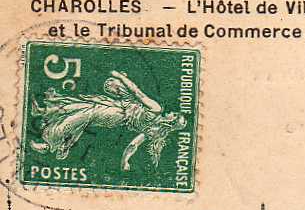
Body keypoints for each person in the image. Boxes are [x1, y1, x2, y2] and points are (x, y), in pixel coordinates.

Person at [29, 70, 187, 170]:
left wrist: (120, 77)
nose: (172, 112)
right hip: (118, 108)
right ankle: (44, 112)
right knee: (83, 105)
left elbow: (137, 93)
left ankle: (49, 143)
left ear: (172, 120)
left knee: (85, 113)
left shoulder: (157, 109)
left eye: (174, 115)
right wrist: (125, 161)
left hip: (118, 114)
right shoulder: (154, 131)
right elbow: (133, 145)